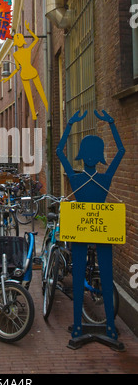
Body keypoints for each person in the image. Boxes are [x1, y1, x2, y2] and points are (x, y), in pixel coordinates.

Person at [56, 109, 125, 340]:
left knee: (77, 278)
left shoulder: (75, 179)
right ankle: (110, 329)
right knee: (106, 276)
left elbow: (58, 151)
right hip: (104, 230)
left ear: (82, 155)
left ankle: (78, 326)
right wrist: (111, 123)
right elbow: (122, 151)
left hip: (79, 228)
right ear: (100, 157)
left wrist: (70, 125)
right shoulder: (105, 179)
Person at [1, 21, 48, 119]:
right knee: (41, 90)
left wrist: (8, 78)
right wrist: (29, 30)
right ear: (23, 41)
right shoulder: (27, 50)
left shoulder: (16, 54)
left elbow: (17, 69)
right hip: (32, 71)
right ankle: (47, 106)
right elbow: (36, 39)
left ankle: (34, 115)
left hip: (24, 74)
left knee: (29, 95)